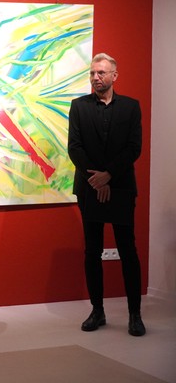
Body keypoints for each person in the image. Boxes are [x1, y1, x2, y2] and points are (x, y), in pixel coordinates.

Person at [68, 53, 145, 337]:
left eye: (101, 72)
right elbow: (75, 147)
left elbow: (133, 147)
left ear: (114, 75)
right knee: (92, 250)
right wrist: (97, 180)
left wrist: (109, 175)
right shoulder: (78, 106)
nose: (96, 77)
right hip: (89, 187)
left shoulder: (131, 107)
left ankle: (135, 314)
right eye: (92, 73)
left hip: (121, 186)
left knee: (128, 250)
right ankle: (97, 310)